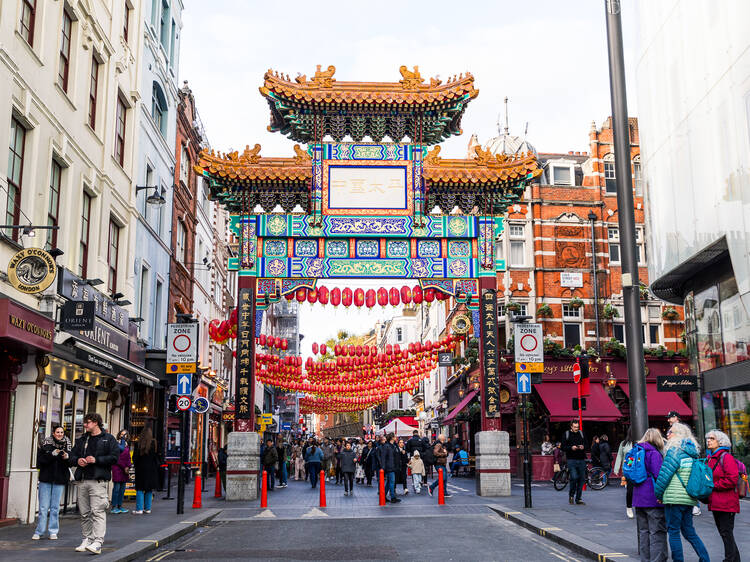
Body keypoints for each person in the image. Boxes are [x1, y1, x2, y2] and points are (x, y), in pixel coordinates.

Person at [654, 423, 710, 562]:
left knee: (673, 532)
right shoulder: (692, 452)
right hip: (689, 497)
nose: (667, 434)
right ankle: (705, 558)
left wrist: (659, 495)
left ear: (678, 434)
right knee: (689, 532)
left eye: (670, 432)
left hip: (674, 499)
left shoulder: (674, 451)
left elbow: (663, 476)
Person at [67, 412, 119, 555]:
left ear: (96, 422)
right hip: (82, 479)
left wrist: (97, 460)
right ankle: (87, 539)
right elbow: (71, 456)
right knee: (84, 513)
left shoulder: (108, 439)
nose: (85, 425)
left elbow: (115, 458)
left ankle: (97, 541)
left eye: (87, 422)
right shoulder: (82, 439)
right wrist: (77, 461)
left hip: (98, 480)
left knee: (97, 511)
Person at [632, 428, 667, 562]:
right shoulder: (654, 453)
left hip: (638, 497)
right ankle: (657, 559)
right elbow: (659, 475)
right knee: (656, 532)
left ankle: (645, 559)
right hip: (652, 498)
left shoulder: (635, 451)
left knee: (643, 532)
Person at [705, 429, 740, 562]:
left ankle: (729, 559)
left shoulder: (726, 457)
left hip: (726, 503)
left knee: (726, 533)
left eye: (712, 438)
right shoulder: (711, 458)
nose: (708, 440)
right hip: (716, 502)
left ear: (720, 441)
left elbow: (732, 479)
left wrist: (713, 485)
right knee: (725, 534)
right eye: (708, 438)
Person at [33, 425, 71, 540]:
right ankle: (39, 531)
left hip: (59, 479)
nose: (60, 434)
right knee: (43, 507)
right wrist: (51, 455)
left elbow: (71, 462)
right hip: (46, 478)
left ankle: (53, 531)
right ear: (53, 433)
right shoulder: (45, 445)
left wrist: (67, 457)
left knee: (55, 507)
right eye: (57, 432)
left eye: (61, 432)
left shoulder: (67, 445)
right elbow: (40, 461)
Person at [132, 427, 160, 515]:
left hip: (140, 468)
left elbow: (135, 457)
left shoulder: (138, 443)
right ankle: (148, 509)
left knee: (139, 488)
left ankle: (139, 509)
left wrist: (135, 465)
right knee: (149, 489)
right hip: (151, 469)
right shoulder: (154, 443)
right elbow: (157, 457)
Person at [562, 420, 586, 505]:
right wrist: (571, 448)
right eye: (575, 427)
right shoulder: (567, 434)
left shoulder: (581, 433)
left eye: (577, 427)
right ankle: (571, 495)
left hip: (581, 459)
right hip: (571, 459)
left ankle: (578, 498)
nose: (576, 428)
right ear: (571, 426)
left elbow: (586, 444)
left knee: (582, 479)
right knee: (574, 477)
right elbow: (563, 447)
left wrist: (583, 447)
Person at [614, 426, 635, 518]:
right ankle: (629, 507)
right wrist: (616, 468)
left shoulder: (642, 442)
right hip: (628, 469)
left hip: (640, 469)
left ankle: (639, 508)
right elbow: (619, 456)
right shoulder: (624, 444)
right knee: (630, 490)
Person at [110, 430, 131, 514]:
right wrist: (124, 467)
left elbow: (128, 457)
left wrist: (128, 466)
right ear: (119, 435)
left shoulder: (126, 445)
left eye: (124, 435)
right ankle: (114, 507)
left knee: (122, 489)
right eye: (121, 434)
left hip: (125, 469)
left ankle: (120, 506)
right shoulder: (116, 444)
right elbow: (117, 458)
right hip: (117, 468)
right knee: (116, 488)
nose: (123, 436)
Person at [379, 433, 400, 503]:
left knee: (389, 482)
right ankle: (393, 497)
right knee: (392, 481)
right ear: (392, 438)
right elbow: (383, 457)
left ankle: (384, 496)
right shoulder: (387, 446)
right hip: (389, 466)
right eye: (395, 436)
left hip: (392, 465)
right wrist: (383, 467)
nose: (396, 437)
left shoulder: (393, 445)